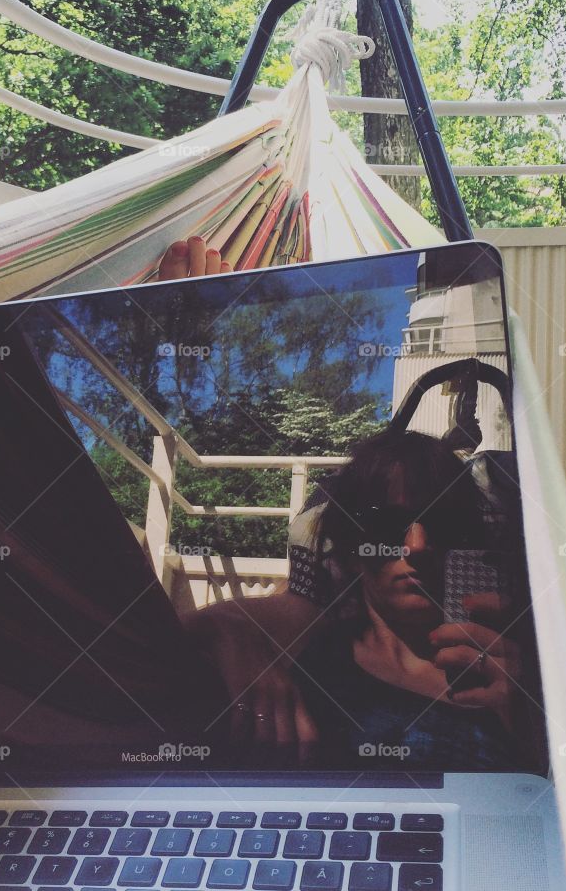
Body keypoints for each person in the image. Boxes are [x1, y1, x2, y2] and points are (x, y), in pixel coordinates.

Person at [157, 236, 542, 771]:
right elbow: (280, 611)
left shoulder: (519, 663)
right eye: (387, 523)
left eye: (441, 520)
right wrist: (223, 626)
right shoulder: (319, 633)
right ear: (353, 544)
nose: (417, 545)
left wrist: (538, 728)